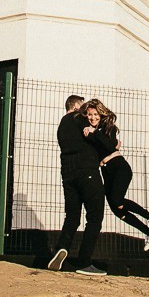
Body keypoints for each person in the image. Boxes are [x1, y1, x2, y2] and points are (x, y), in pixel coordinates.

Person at [81, 98, 149, 252]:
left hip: (119, 168)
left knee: (117, 199)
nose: (92, 118)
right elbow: (109, 146)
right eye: (89, 115)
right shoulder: (92, 131)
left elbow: (110, 145)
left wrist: (94, 133)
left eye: (95, 114)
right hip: (107, 171)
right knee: (117, 209)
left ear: (101, 114)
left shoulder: (107, 127)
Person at [48, 94, 107, 275]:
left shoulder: (61, 127)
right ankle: (84, 262)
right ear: (75, 107)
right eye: (83, 109)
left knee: (72, 215)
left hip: (68, 174)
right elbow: (94, 136)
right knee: (95, 216)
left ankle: (61, 247)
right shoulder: (77, 119)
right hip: (86, 171)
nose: (88, 114)